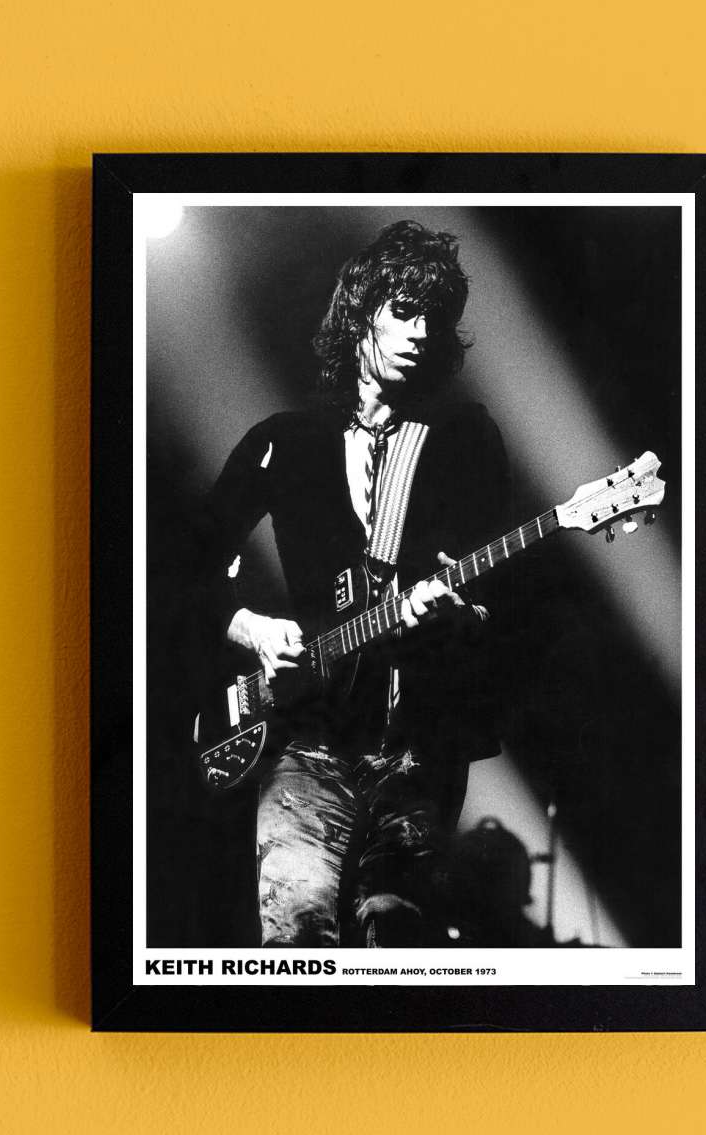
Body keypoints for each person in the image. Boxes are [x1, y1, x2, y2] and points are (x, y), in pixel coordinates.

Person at [195, 220, 510, 947]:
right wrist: (252, 628)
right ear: (361, 313)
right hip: (304, 745)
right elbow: (181, 569)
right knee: (296, 947)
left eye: (436, 318)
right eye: (404, 310)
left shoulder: (464, 438)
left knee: (395, 946)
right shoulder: (283, 442)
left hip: (419, 752)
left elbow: (503, 601)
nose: (421, 332)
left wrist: (459, 611)